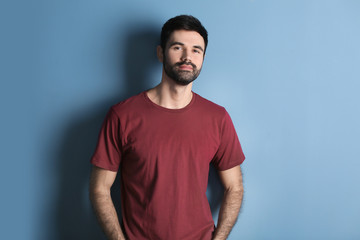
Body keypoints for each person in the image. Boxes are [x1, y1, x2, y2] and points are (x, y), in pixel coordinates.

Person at [89, 15, 245, 240]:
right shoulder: (122, 115)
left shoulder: (217, 117)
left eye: (196, 50)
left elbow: (235, 187)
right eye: (177, 47)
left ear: (203, 58)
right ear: (161, 53)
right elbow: (99, 189)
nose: (187, 57)